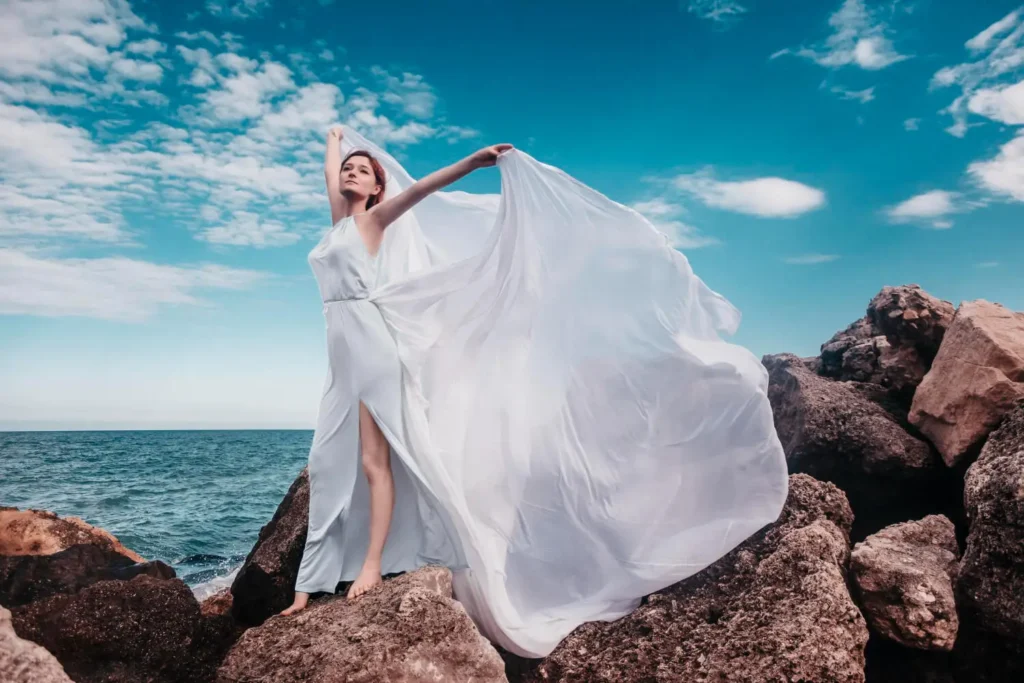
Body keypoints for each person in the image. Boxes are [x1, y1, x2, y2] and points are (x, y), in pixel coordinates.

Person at [279, 125, 789, 659]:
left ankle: (369, 567)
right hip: (342, 356)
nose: (350, 173)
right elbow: (328, 176)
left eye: (362, 169)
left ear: (377, 187)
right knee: (330, 460)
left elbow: (422, 189)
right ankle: (306, 585)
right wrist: (333, 138)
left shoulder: (372, 222)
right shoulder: (338, 226)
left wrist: (472, 163)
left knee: (375, 462)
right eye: (346, 170)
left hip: (375, 349)